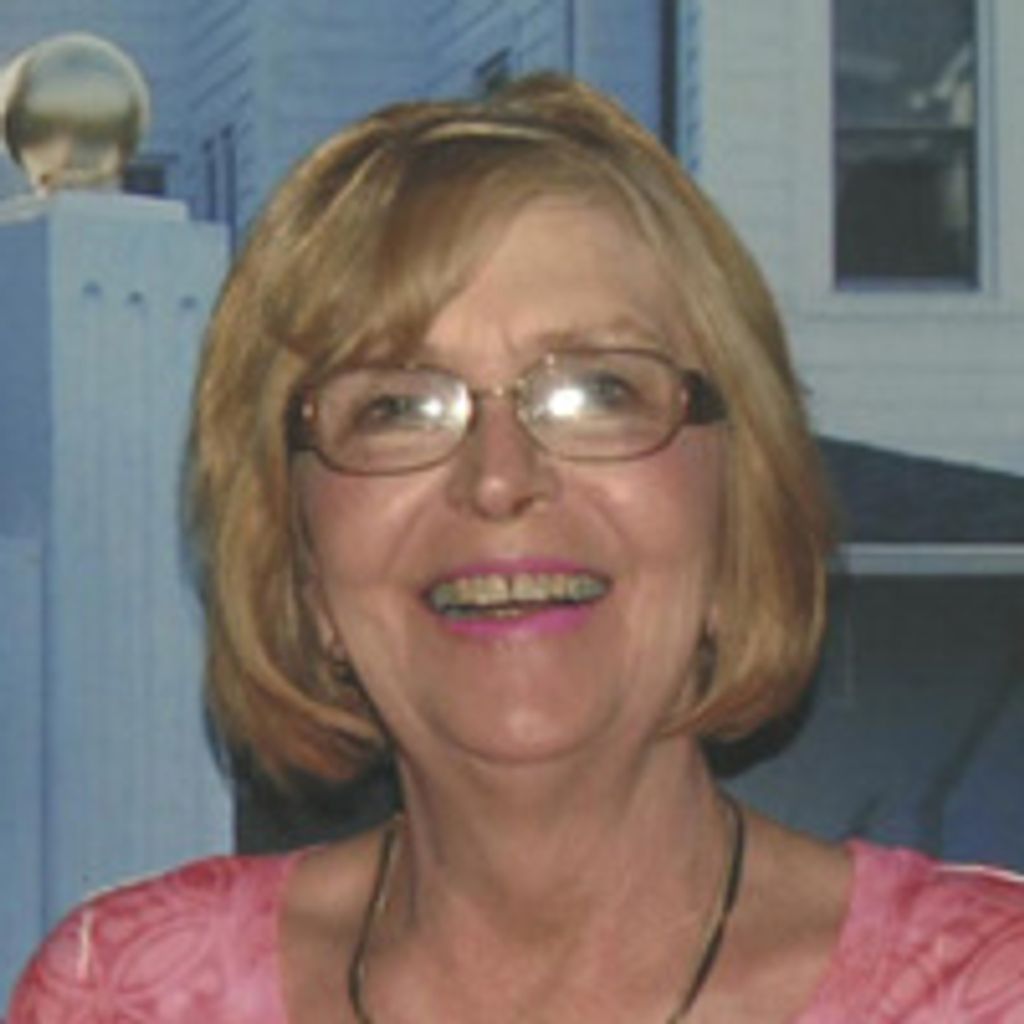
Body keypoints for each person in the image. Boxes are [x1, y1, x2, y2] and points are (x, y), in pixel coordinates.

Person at [8, 73, 1024, 1024]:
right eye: (397, 406)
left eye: (597, 391)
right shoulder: (125, 997)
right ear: (303, 564)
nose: (498, 478)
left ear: (734, 511)